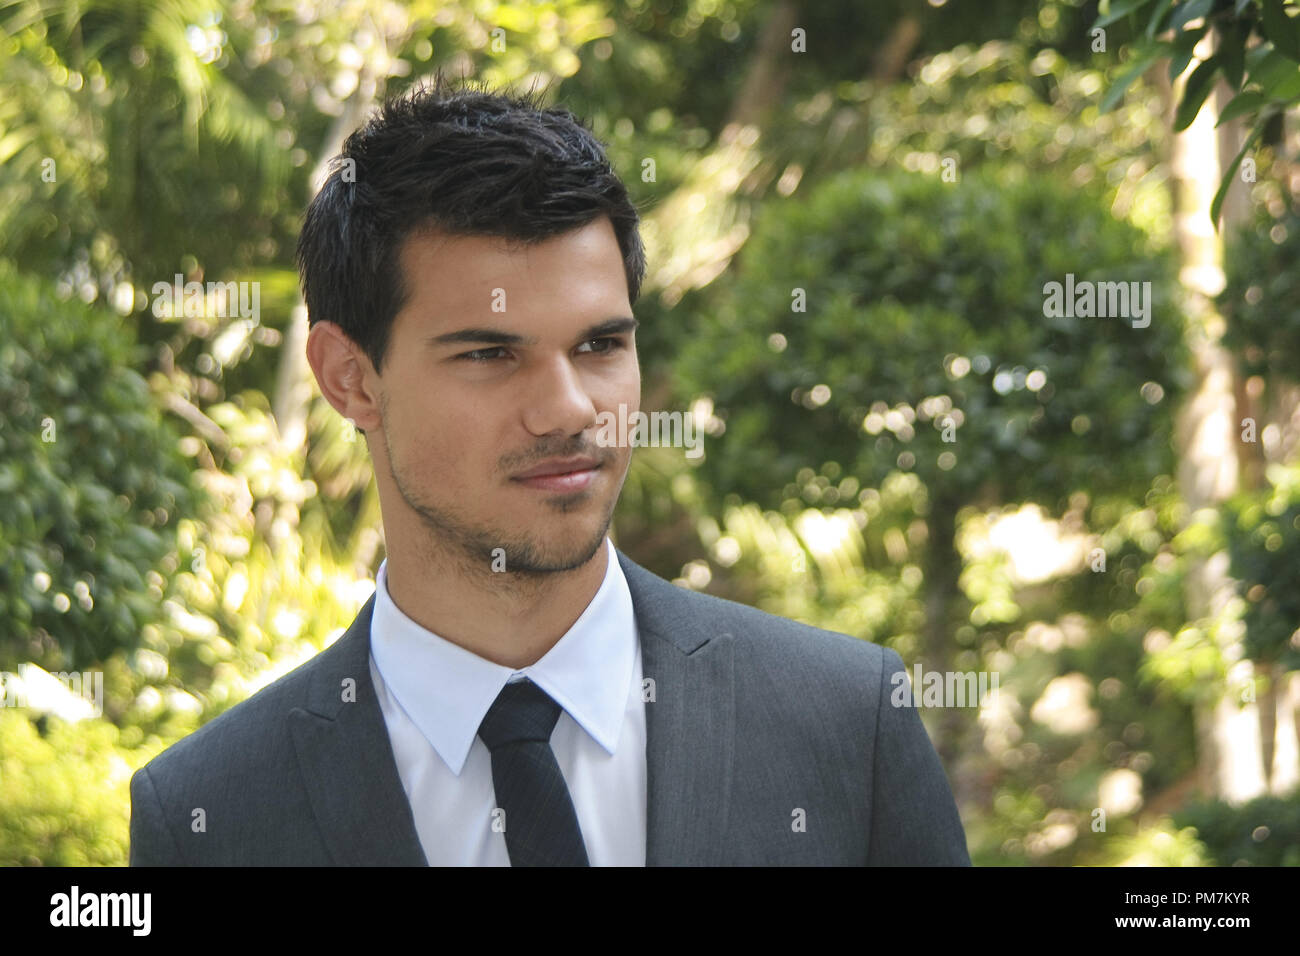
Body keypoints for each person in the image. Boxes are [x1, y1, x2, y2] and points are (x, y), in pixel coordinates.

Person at [129, 77, 970, 866]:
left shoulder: (845, 721)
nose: (570, 410)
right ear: (351, 379)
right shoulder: (210, 814)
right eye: (491, 353)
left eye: (601, 344)